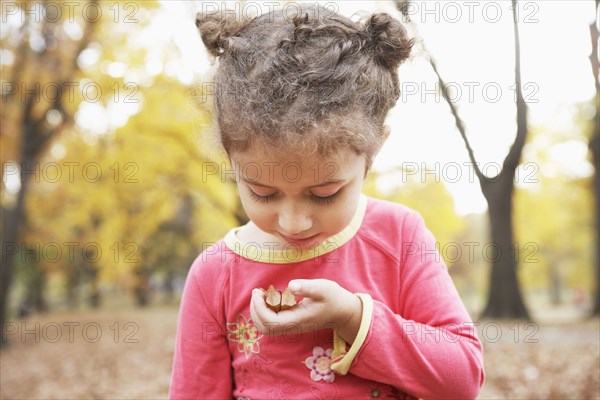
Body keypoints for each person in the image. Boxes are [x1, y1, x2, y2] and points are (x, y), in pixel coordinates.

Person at [170, 4, 484, 399]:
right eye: (262, 193)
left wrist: (354, 319)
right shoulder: (216, 275)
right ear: (231, 159)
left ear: (373, 151)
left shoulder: (399, 236)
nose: (294, 221)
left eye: (325, 194)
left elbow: (463, 378)